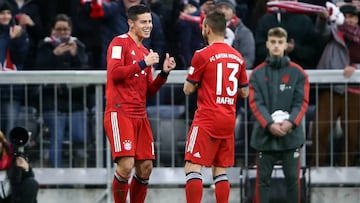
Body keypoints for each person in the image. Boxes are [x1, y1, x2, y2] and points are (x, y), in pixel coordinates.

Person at [103, 5, 176, 203]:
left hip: (140, 115)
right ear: (131, 23)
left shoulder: (144, 51)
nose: (148, 26)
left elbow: (149, 91)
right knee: (126, 165)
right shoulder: (119, 43)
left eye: (150, 21)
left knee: (146, 168)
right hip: (120, 112)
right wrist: (143, 63)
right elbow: (115, 73)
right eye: (143, 22)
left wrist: (163, 73)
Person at [183, 10, 249, 203]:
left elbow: (188, 89)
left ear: (207, 29)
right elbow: (244, 92)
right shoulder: (238, 57)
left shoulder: (202, 55)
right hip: (228, 119)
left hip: (207, 119)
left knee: (193, 167)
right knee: (220, 170)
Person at [248, 27, 309, 203]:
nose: (276, 46)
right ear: (267, 44)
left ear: (286, 45)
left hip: (291, 136)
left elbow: (301, 102)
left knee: (293, 181)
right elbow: (255, 102)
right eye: (273, 42)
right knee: (263, 182)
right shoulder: (257, 74)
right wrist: (269, 124)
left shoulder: (298, 73)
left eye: (280, 42)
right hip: (264, 136)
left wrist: (290, 122)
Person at [34, 13, 88, 167]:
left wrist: (75, 55)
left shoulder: (79, 46)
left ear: (70, 30)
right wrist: (54, 55)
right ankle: (55, 177)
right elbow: (38, 69)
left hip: (75, 100)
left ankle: (80, 176)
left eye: (66, 29)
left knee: (80, 138)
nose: (63, 33)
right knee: (56, 138)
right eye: (59, 29)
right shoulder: (45, 46)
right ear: (52, 30)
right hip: (53, 101)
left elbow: (86, 69)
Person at [311, 4, 360, 166]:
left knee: (352, 135)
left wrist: (355, 68)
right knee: (320, 130)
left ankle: (346, 167)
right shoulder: (333, 31)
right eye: (346, 16)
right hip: (331, 87)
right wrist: (323, 19)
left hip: (354, 91)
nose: (349, 20)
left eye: (353, 17)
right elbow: (320, 31)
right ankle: (317, 166)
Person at [0, 1, 29, 136]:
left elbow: (21, 59)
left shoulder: (18, 33)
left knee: (11, 130)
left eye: (8, 13)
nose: (5, 16)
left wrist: (15, 39)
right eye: (2, 13)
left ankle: (9, 158)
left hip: (12, 90)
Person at [0, 130, 38, 203]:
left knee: (31, 183)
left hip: (14, 198)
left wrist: (27, 169)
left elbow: (29, 179)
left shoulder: (13, 156)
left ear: (2, 143)